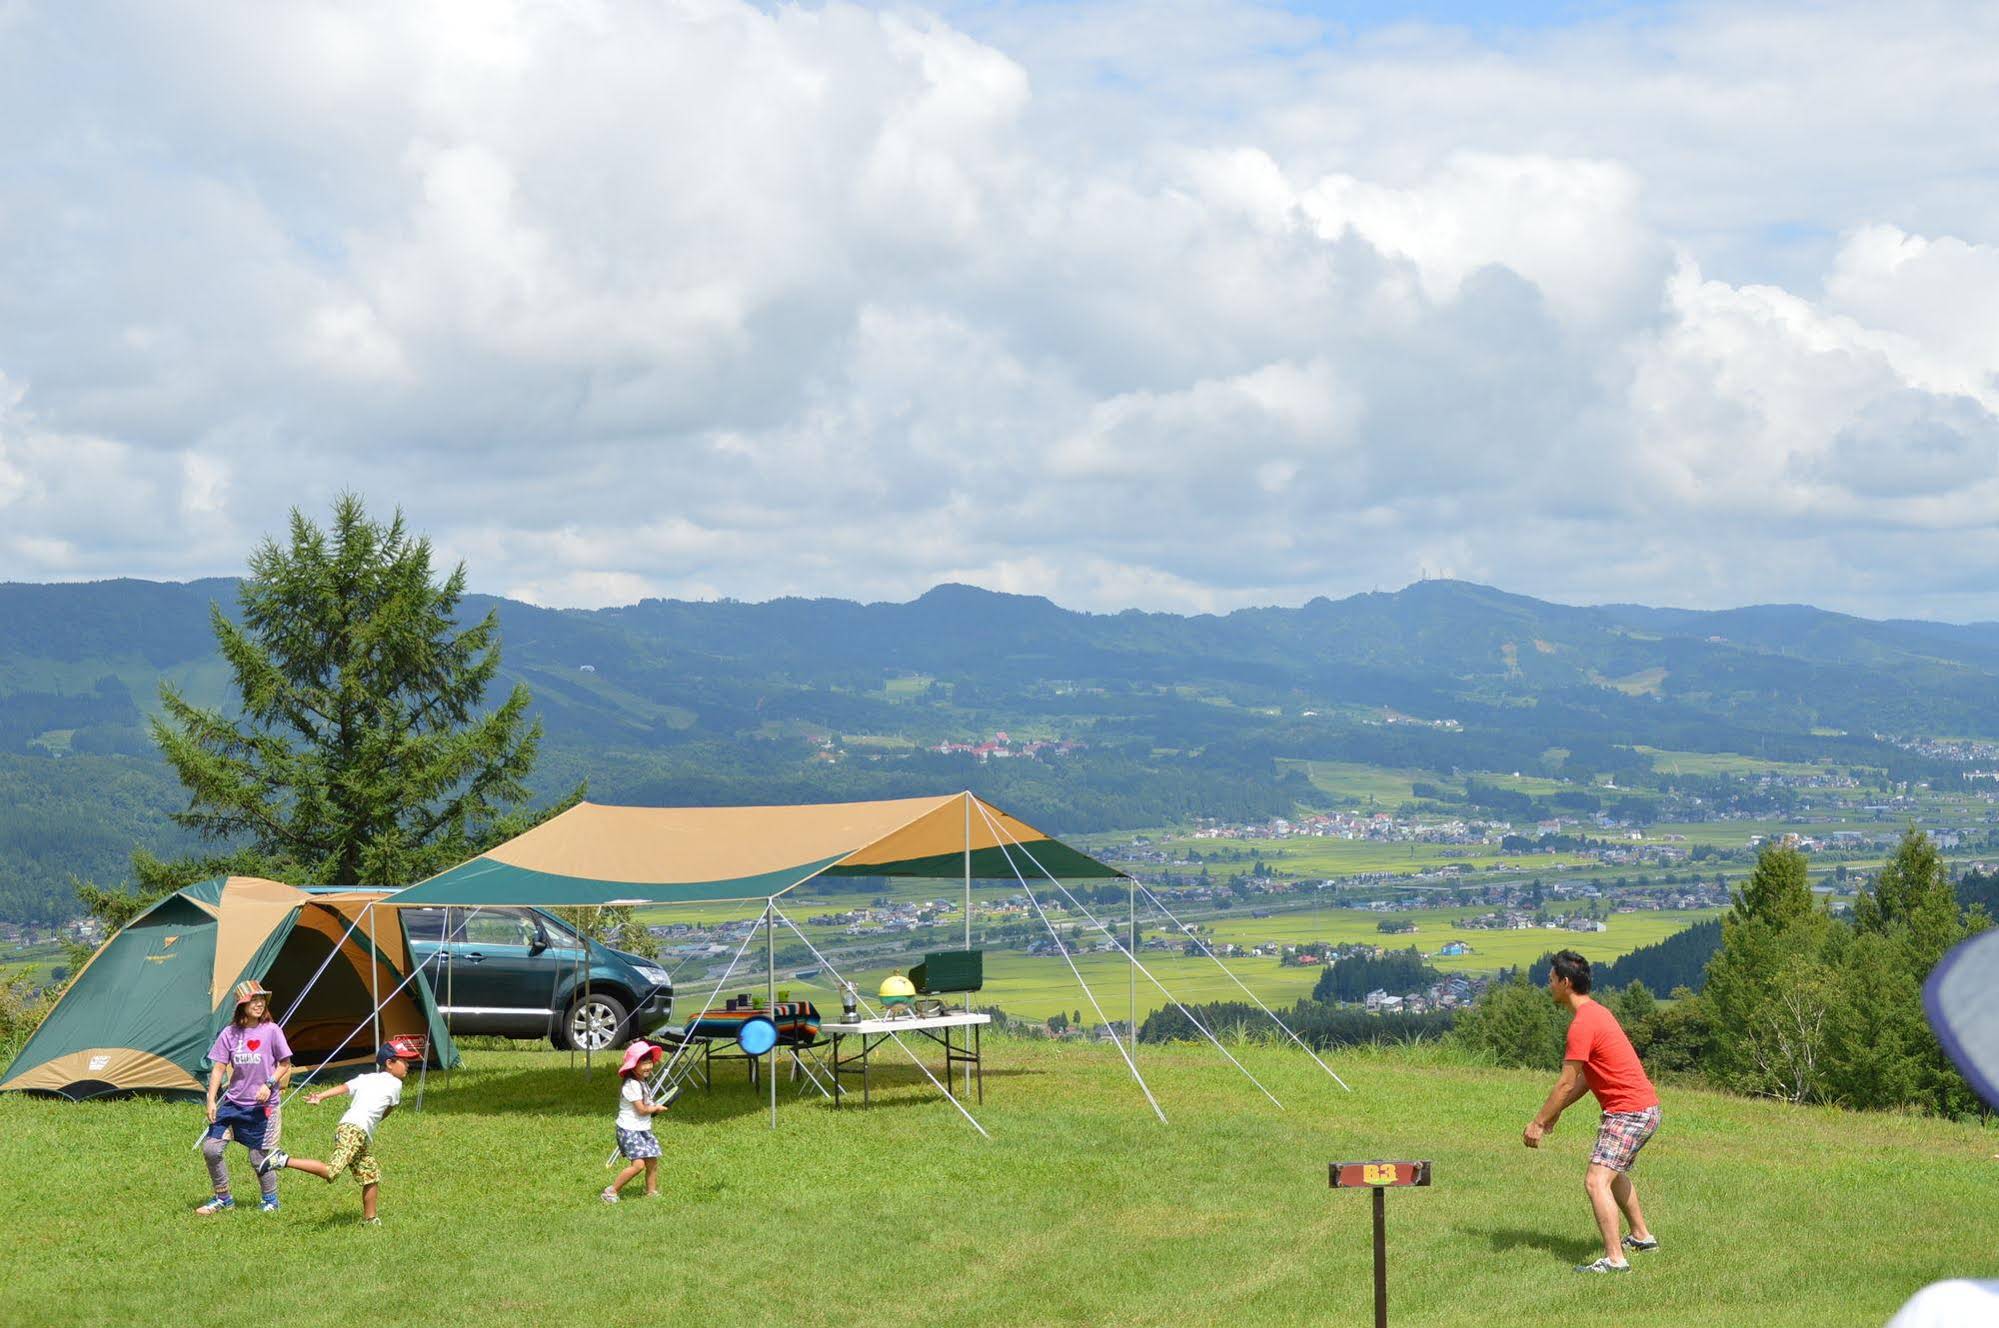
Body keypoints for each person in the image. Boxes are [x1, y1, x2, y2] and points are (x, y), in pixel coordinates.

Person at [1522, 950, 1661, 1274]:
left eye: (1551, 979)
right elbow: (1587, 1078)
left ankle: (1615, 1260)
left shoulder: (1582, 1024)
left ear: (1565, 982)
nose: (1548, 985)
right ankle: (1641, 1237)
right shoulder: (1598, 1013)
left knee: (1596, 1181)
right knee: (1612, 1172)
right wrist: (1557, 1111)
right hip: (1644, 1109)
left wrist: (1538, 1122)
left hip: (1628, 1113)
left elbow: (1565, 1082)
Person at [260, 1039, 420, 1225]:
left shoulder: (367, 1078)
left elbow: (345, 1087)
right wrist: (377, 1119)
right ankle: (283, 1159)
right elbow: (388, 1109)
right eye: (404, 1061)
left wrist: (320, 1096)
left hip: (350, 1128)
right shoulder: (396, 1084)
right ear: (390, 1063)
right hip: (354, 1131)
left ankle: (370, 1219)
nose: (408, 1065)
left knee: (370, 1174)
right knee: (332, 1171)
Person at [196, 979, 292, 1215]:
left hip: (263, 1107)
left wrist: (269, 1084)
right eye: (253, 1000)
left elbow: (285, 1064)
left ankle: (270, 1201)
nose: (259, 1004)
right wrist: (211, 1100)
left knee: (259, 1157)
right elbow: (218, 1069)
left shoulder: (272, 1031)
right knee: (211, 1150)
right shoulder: (229, 1034)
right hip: (233, 1104)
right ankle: (223, 1198)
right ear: (242, 1005)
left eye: (262, 1000)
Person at [601, 1040, 680, 1203]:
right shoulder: (631, 1085)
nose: (648, 1066)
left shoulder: (642, 1082)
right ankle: (611, 1191)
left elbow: (646, 1105)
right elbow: (642, 1110)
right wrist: (656, 1108)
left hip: (642, 1129)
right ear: (633, 1066)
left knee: (652, 1162)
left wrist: (655, 1106)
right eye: (644, 1063)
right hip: (629, 1130)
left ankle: (651, 1192)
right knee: (638, 1165)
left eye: (650, 1062)